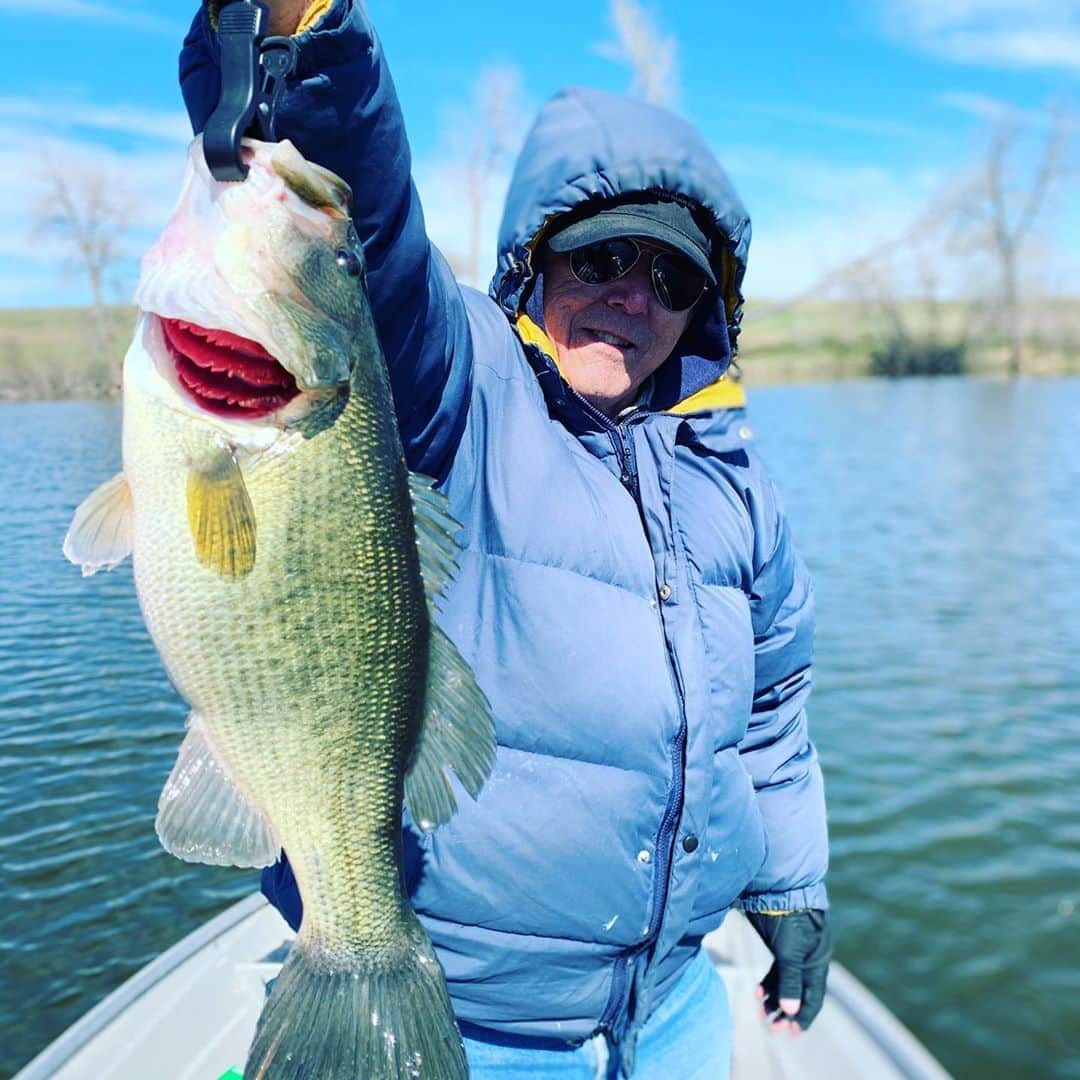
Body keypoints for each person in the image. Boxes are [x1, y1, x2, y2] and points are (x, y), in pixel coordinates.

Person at [181, 2, 832, 1076]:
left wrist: (793, 883)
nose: (634, 298)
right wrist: (310, 43)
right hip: (471, 1024)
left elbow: (774, 705)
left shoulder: (733, 481)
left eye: (674, 280)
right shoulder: (464, 388)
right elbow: (367, 245)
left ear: (704, 313)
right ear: (535, 265)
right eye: (602, 259)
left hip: (671, 1006)